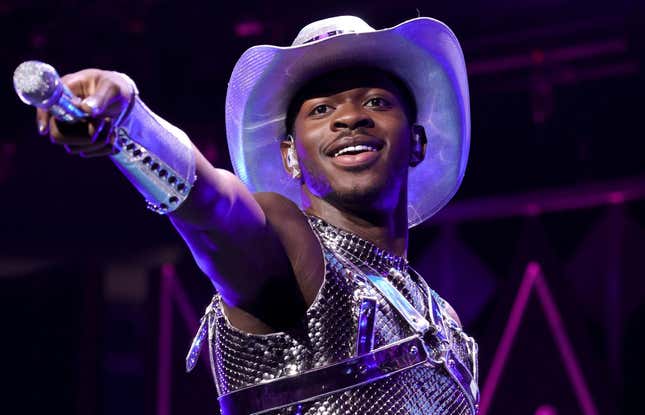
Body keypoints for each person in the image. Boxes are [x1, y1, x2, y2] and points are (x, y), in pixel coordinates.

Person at [35, 15, 478, 415]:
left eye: (377, 102)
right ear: (291, 156)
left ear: (417, 142)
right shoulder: (291, 250)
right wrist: (130, 125)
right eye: (322, 110)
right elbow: (213, 204)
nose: (350, 118)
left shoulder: (444, 321)